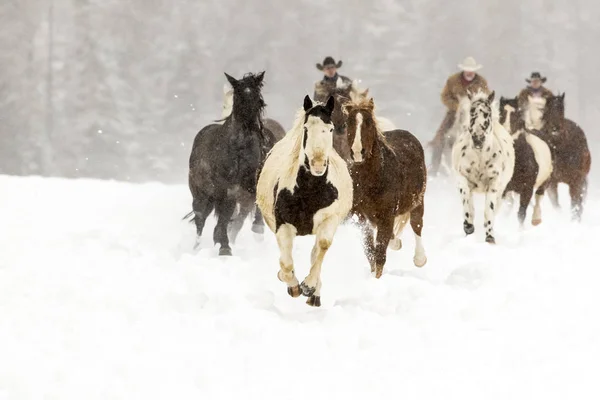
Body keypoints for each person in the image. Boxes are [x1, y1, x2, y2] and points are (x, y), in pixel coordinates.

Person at [429, 56, 490, 175]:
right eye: (467, 69)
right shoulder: (452, 80)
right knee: (440, 136)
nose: (469, 72)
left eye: (471, 70)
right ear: (463, 70)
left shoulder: (481, 82)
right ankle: (434, 166)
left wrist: (474, 106)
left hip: (475, 113)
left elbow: (486, 98)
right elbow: (445, 96)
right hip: (455, 112)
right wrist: (457, 106)